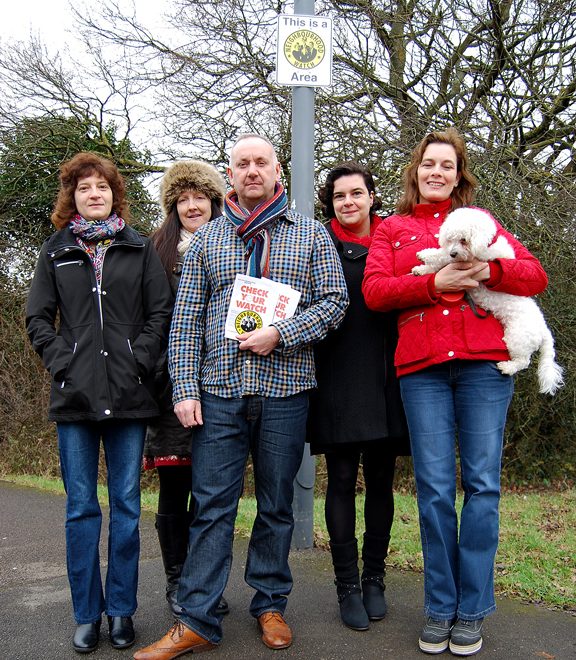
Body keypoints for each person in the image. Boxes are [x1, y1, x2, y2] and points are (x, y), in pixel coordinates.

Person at [133, 134, 348, 659]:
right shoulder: (207, 240)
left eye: (261, 162)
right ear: (230, 174)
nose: (252, 171)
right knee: (211, 508)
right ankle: (198, 619)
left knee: (276, 506)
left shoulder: (311, 235)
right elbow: (183, 324)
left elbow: (336, 301)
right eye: (241, 163)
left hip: (285, 391)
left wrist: (284, 333)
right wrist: (185, 389)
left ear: (278, 169)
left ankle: (270, 604)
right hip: (220, 394)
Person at [362, 128, 549, 656]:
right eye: (428, 164)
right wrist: (430, 286)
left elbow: (535, 276)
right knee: (436, 489)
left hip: (485, 367)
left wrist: (491, 269)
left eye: (446, 164)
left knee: (483, 485)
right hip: (421, 368)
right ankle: (440, 607)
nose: (436, 172)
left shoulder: (484, 222)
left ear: (458, 173)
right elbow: (374, 292)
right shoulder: (393, 229)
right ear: (416, 172)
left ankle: (473, 610)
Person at [26, 153, 172, 653]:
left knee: (127, 509)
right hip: (76, 400)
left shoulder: (139, 248)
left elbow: (161, 311)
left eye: (102, 187)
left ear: (115, 194)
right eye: (84, 187)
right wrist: (64, 361)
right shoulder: (55, 251)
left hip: (131, 397)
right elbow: (38, 319)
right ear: (73, 196)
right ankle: (87, 614)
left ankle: (122, 612)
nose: (94, 194)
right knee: (81, 510)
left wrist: (138, 358)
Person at [308, 162, 409, 632]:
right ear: (330, 202)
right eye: (339, 196)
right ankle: (346, 585)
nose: (348, 202)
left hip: (389, 374)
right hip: (336, 376)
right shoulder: (315, 242)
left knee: (382, 483)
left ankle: (374, 579)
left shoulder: (394, 242)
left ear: (372, 197)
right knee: (342, 480)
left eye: (356, 193)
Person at [143, 160, 229, 617]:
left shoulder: (235, 241)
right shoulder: (153, 250)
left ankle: (204, 583)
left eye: (200, 196)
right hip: (167, 388)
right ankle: (178, 582)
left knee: (211, 493)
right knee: (175, 487)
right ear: (173, 205)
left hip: (220, 384)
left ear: (215, 200)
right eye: (183, 199)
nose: (192, 205)